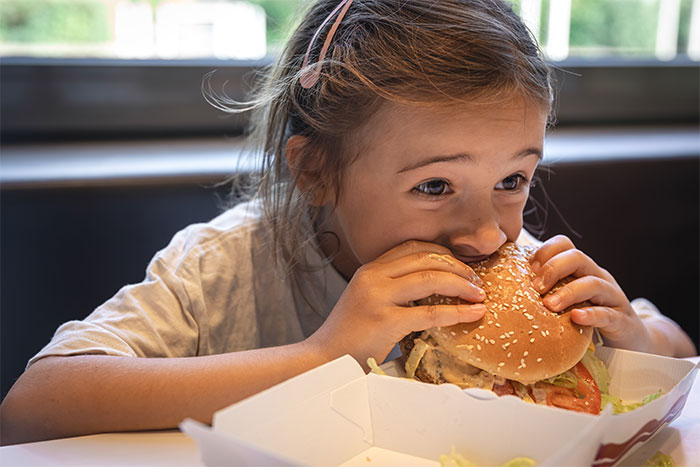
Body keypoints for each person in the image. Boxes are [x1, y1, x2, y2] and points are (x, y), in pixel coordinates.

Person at [1, 0, 695, 446]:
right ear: (314, 171)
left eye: (512, 180)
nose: (487, 233)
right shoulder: (226, 265)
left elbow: (678, 349)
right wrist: (323, 353)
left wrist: (632, 340)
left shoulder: (527, 271)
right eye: (434, 184)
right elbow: (33, 405)